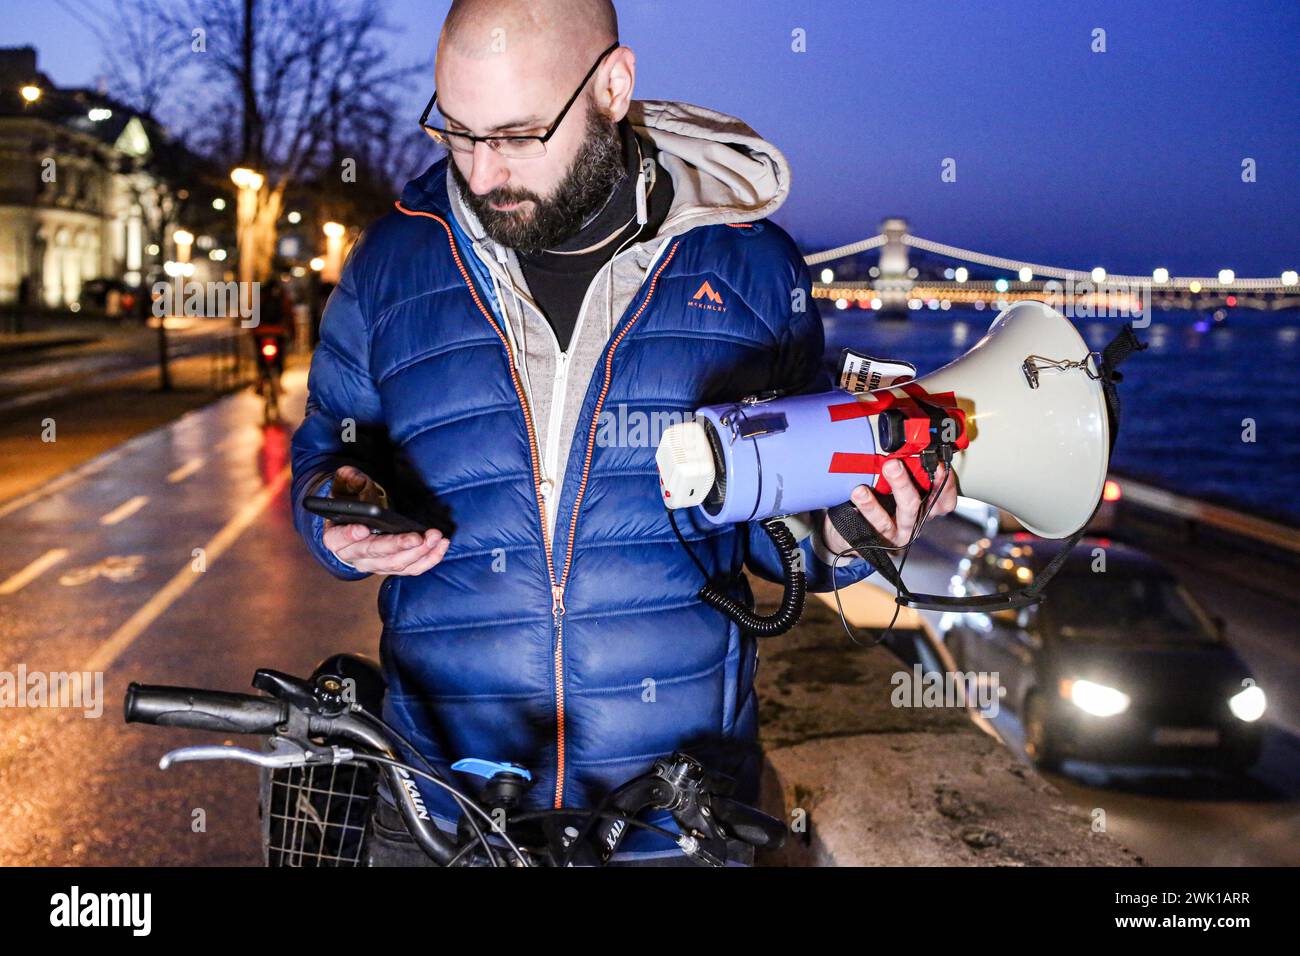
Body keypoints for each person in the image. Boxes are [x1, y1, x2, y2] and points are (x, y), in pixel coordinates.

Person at [290, 0, 956, 866]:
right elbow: (329, 448)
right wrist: (336, 516)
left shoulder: (752, 269)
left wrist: (858, 523)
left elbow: (775, 538)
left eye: (519, 134)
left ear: (612, 86)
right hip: (438, 806)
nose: (482, 173)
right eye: (456, 132)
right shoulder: (390, 262)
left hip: (674, 821)